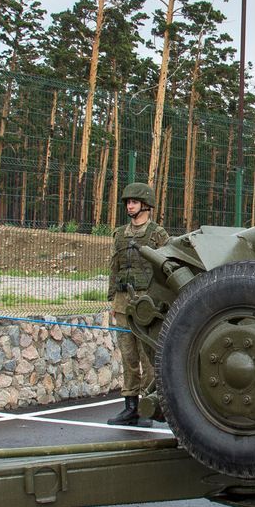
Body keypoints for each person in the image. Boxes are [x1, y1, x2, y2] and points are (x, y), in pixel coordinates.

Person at [107, 182, 170, 426]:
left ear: (145, 204)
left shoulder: (158, 234)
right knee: (128, 356)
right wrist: (112, 297)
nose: (129, 206)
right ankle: (130, 406)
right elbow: (114, 268)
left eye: (133, 202)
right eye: (127, 202)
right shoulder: (120, 234)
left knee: (148, 356)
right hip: (124, 303)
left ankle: (149, 406)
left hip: (148, 304)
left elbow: (166, 268)